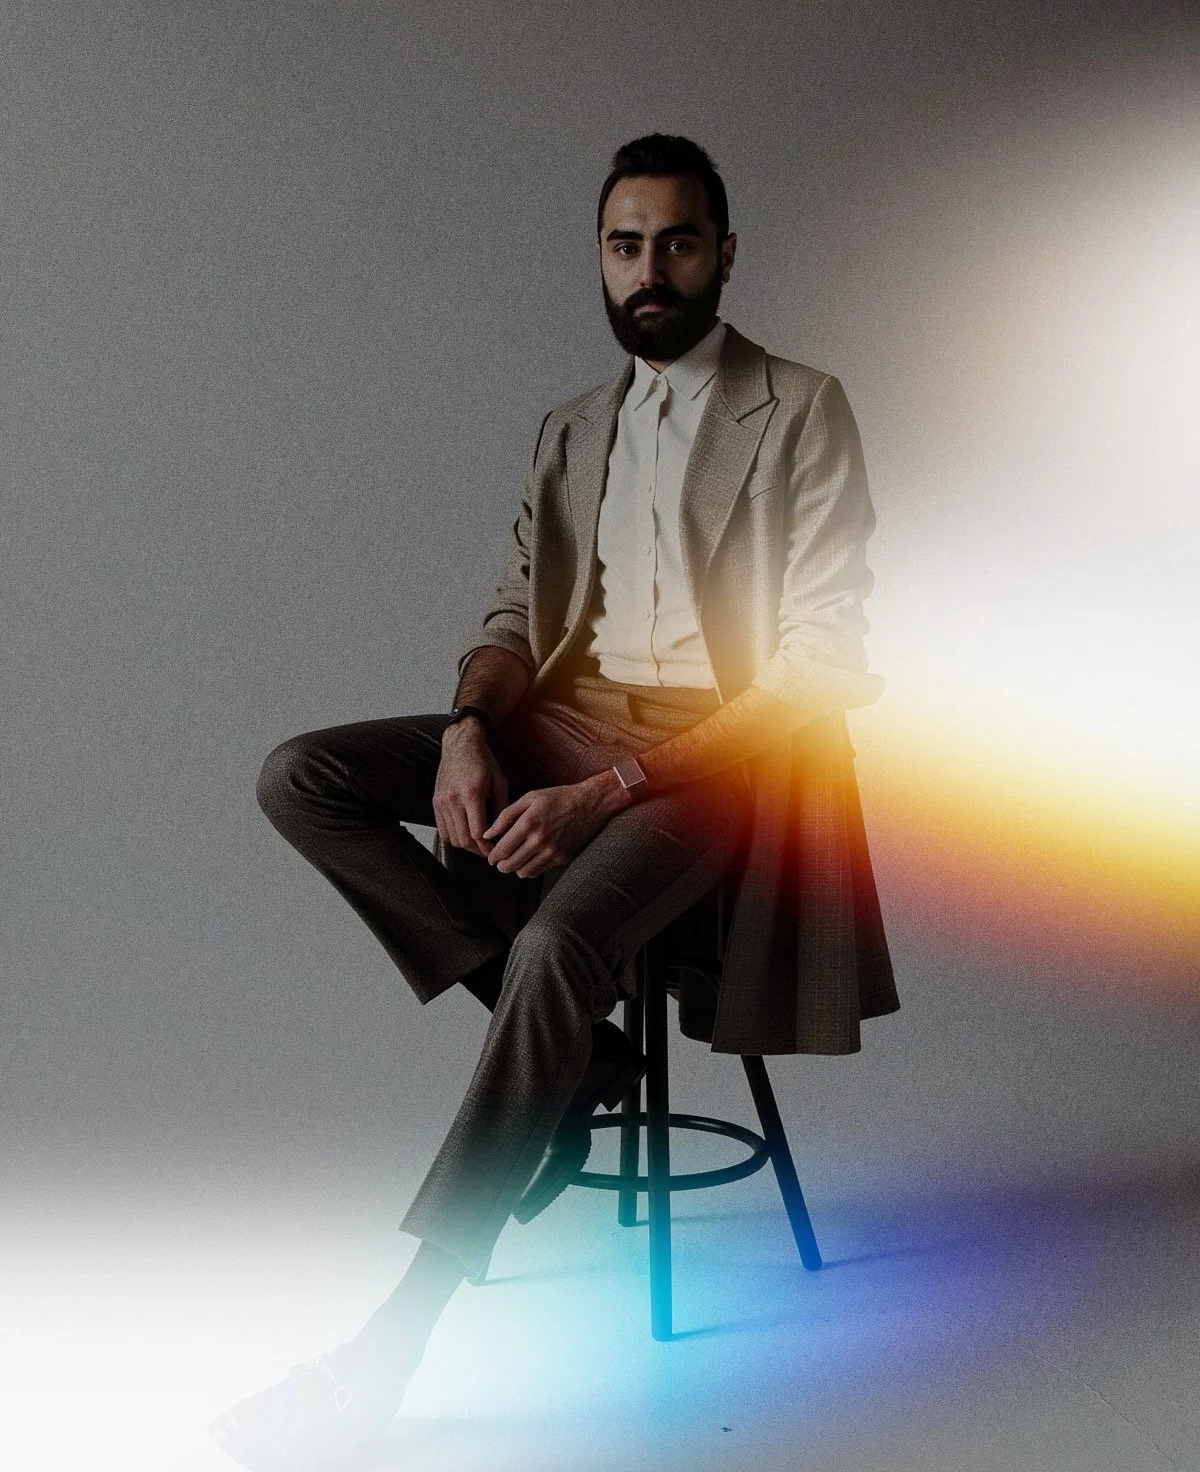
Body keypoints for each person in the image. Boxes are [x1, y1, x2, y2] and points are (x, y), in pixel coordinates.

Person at [210, 133, 897, 1472]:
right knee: (303, 776)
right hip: (563, 727)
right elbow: (511, 617)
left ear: (726, 254)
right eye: (626, 244)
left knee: (554, 948)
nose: (651, 271)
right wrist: (472, 727)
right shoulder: (571, 427)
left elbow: (824, 664)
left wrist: (612, 792)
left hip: (720, 764)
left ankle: (395, 1344)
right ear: (600, 255)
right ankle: (574, 1055)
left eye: (679, 242)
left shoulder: (802, 408)